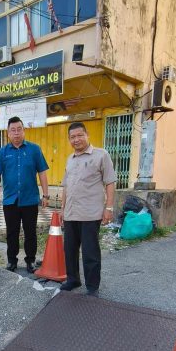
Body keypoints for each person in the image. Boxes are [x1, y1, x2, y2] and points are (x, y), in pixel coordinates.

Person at [60, 122, 116, 296]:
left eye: (79, 135)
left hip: (90, 214)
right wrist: (62, 209)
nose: (76, 139)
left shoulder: (101, 155)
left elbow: (110, 182)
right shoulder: (70, 159)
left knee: (90, 252)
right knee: (69, 250)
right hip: (71, 213)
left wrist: (109, 208)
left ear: (87, 135)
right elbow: (66, 187)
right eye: (72, 137)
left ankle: (92, 286)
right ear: (69, 139)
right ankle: (73, 279)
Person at [0, 116, 49, 273]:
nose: (16, 133)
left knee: (30, 232)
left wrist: (46, 195)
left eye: (19, 129)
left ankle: (30, 260)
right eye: (12, 130)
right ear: (8, 133)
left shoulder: (34, 149)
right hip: (10, 201)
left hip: (30, 199)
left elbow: (42, 172)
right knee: (12, 232)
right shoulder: (2, 152)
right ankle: (12, 261)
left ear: (24, 130)